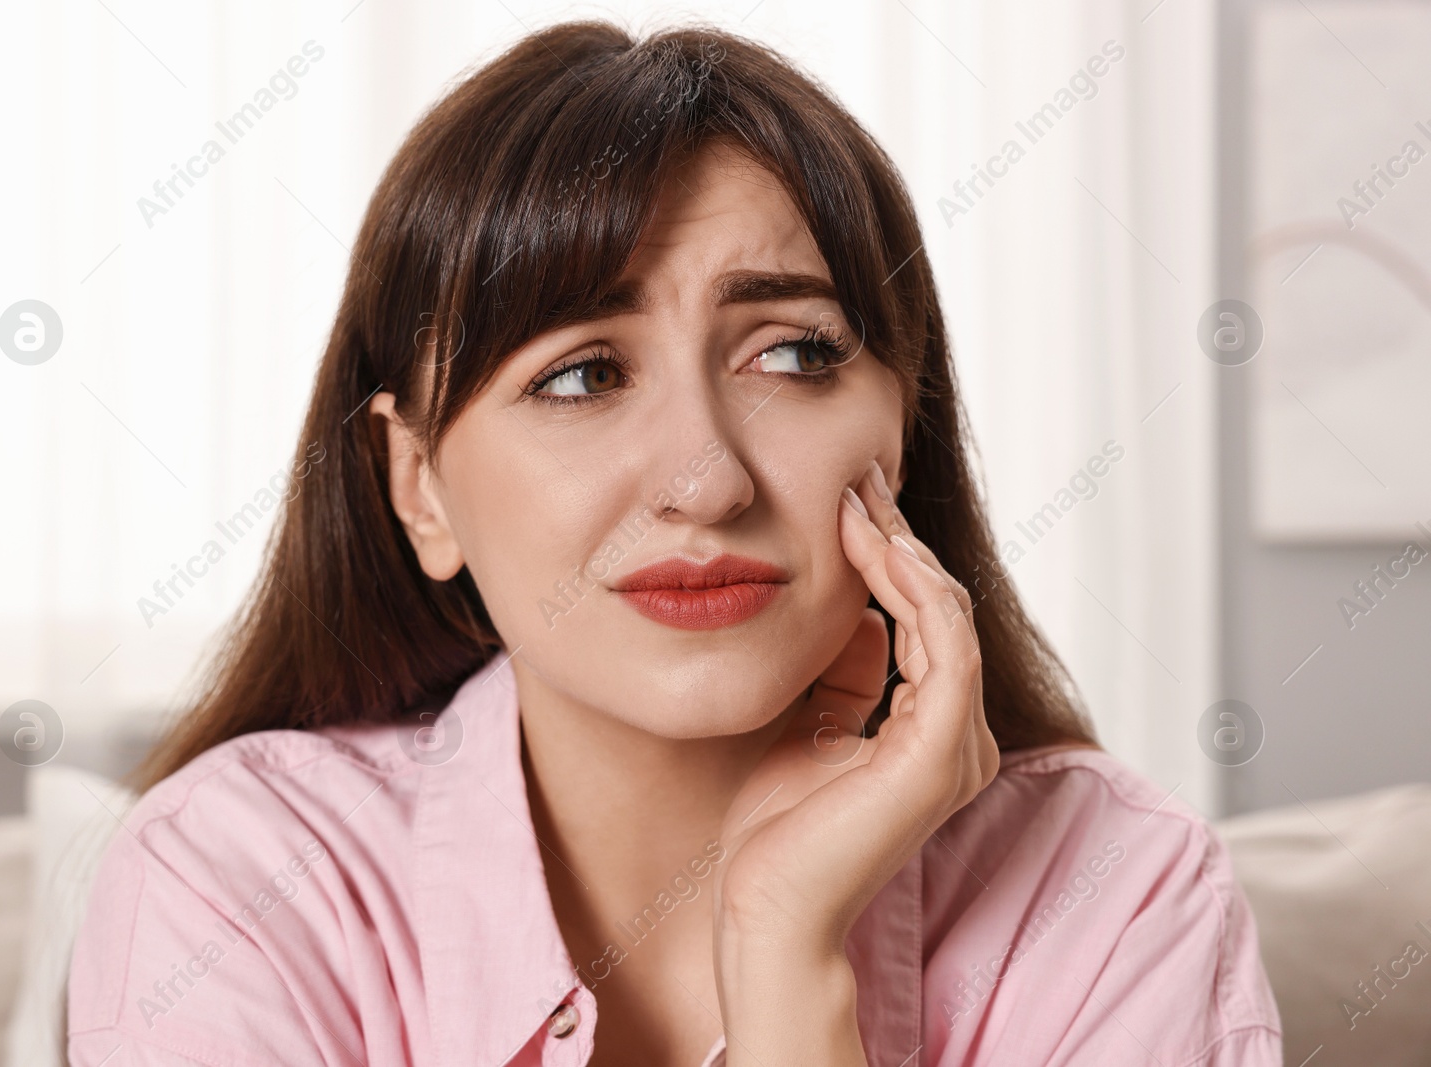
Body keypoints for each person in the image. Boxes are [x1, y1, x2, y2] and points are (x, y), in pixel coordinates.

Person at [66, 20, 1280, 1066]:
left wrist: (786, 954)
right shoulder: (234, 881)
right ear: (419, 485)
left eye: (794, 354)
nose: (705, 481)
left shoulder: (1112, 889)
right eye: (583, 373)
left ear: (901, 434)